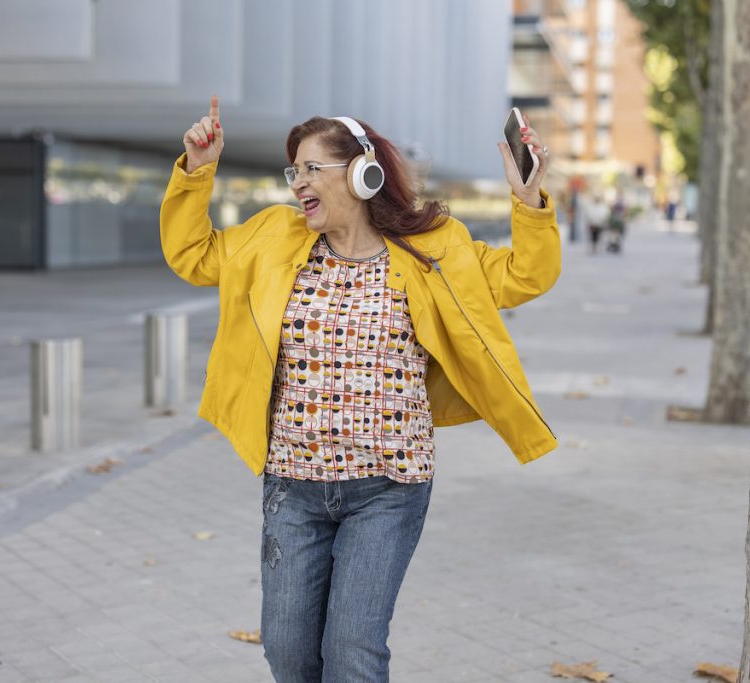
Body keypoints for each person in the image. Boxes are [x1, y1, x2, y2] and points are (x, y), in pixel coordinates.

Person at [160, 96, 561, 682]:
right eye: (292, 171)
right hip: (293, 485)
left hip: (388, 487)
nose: (298, 183)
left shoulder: (435, 246)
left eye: (310, 169)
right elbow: (193, 256)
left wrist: (529, 203)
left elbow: (525, 276)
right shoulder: (273, 238)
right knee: (288, 651)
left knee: (353, 651)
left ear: (361, 171)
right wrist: (196, 172)